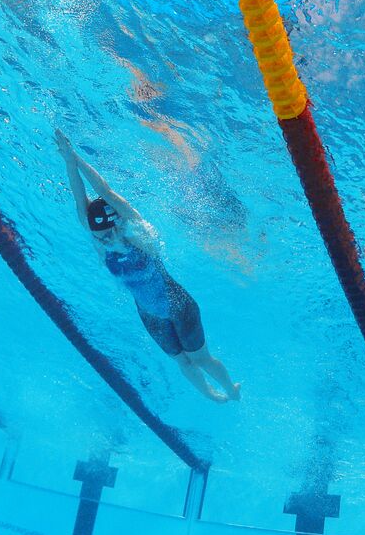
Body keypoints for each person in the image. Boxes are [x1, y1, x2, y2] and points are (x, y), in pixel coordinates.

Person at [56, 129, 240, 402]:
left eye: (110, 231)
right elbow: (80, 201)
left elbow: (105, 192)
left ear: (118, 222)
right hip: (150, 316)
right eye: (101, 234)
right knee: (183, 363)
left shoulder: (136, 233)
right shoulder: (99, 241)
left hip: (178, 306)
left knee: (199, 359)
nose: (107, 238)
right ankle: (212, 396)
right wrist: (69, 162)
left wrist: (79, 160)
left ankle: (230, 390)